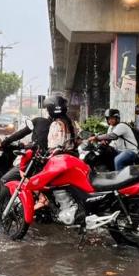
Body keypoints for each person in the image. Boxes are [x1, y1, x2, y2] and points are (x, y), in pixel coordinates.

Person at [43, 94, 80, 224]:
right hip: (73, 158)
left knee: (54, 185)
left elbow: (54, 147)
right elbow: (78, 140)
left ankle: (66, 210)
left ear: (53, 109)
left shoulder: (57, 124)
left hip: (61, 160)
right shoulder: (70, 122)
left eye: (48, 108)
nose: (47, 111)